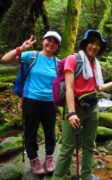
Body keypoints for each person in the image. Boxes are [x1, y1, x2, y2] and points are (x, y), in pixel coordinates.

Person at [52, 29, 112, 180]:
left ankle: (86, 176)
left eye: (98, 44)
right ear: (85, 44)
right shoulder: (73, 59)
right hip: (75, 108)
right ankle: (57, 178)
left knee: (89, 145)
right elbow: (69, 88)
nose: (94, 46)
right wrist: (71, 113)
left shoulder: (95, 64)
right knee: (67, 148)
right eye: (91, 43)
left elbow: (98, 88)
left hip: (92, 108)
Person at [1, 31, 61, 175]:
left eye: (54, 42)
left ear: (57, 46)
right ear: (43, 41)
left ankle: (49, 157)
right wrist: (21, 48)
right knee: (30, 131)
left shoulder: (58, 63)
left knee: (50, 131)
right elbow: (5, 59)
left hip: (50, 102)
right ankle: (34, 159)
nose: (50, 44)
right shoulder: (31, 56)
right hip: (31, 100)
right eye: (48, 40)